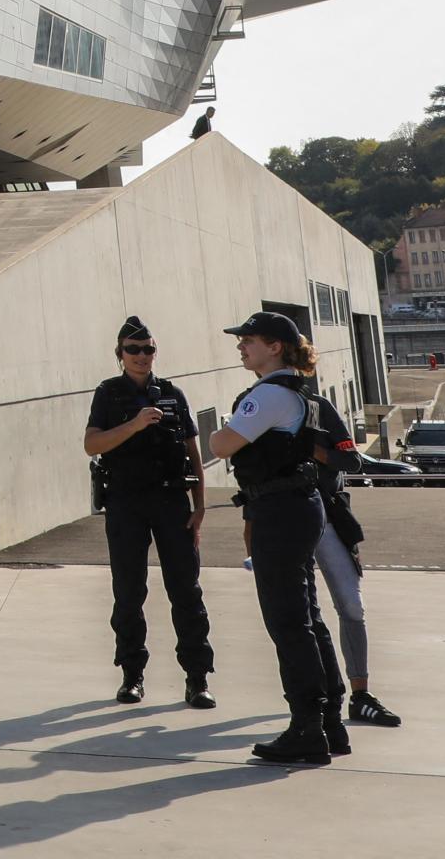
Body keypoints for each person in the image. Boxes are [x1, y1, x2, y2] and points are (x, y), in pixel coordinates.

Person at [208, 310, 342, 765]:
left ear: (275, 347)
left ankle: (307, 727)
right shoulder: (293, 393)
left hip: (281, 512)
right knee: (307, 617)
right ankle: (329, 722)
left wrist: (222, 431)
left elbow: (221, 445)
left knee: (288, 622)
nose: (241, 346)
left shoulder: (267, 395)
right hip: (296, 506)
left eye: (250, 340)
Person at [83, 317, 213, 709]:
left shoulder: (173, 393)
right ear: (120, 354)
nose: (141, 357)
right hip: (126, 503)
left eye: (148, 349)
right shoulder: (108, 394)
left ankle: (197, 678)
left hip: (172, 501)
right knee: (128, 591)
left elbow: (193, 452)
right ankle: (132, 674)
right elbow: (92, 444)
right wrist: (135, 425)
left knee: (186, 590)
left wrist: (200, 506)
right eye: (133, 350)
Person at [305, 384, 401, 731]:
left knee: (351, 606)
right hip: (281, 519)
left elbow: (351, 459)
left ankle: (360, 694)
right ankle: (311, 697)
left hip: (329, 515)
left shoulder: (318, 406)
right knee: (298, 613)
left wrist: (315, 451)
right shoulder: (256, 402)